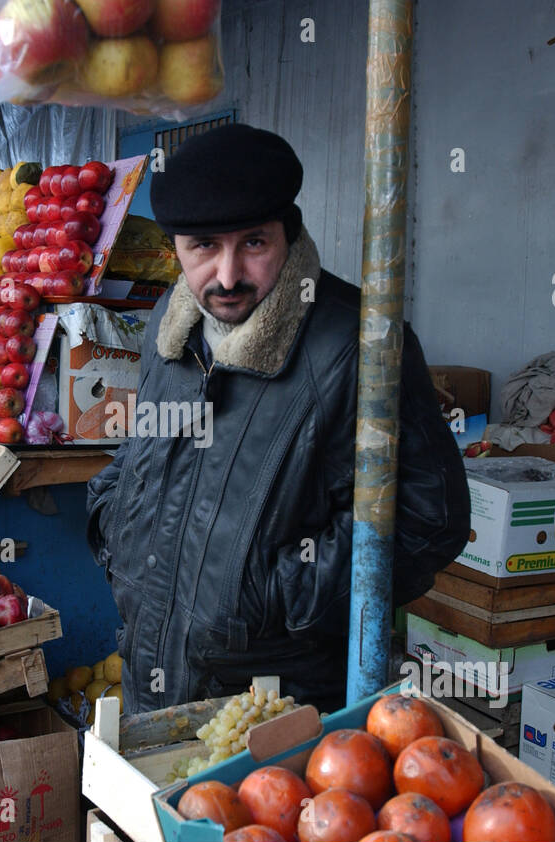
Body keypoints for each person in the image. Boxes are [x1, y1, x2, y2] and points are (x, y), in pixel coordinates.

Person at [85, 124, 470, 715]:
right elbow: (139, 447)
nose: (229, 275)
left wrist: (276, 596)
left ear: (288, 234)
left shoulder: (357, 346)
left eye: (255, 244)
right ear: (176, 247)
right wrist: (114, 527)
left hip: (276, 704)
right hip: (151, 670)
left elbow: (430, 518)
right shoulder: (172, 322)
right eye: (204, 247)